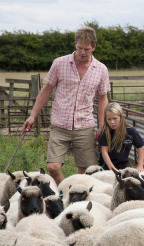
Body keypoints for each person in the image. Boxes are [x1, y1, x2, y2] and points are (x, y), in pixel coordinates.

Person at [21, 26, 110, 185]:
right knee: (53, 167)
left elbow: (103, 99)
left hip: (85, 125)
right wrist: (32, 115)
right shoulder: (59, 63)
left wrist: (101, 126)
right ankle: (65, 191)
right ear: (75, 44)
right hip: (60, 123)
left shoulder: (101, 69)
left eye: (87, 49)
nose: (83, 52)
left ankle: (77, 199)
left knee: (86, 173)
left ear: (94, 47)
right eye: (79, 48)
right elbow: (46, 90)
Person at [98, 102, 144, 172]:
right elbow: (104, 151)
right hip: (107, 166)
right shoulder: (105, 132)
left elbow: (140, 148)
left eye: (115, 118)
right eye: (109, 119)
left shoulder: (130, 131)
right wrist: (112, 169)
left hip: (124, 165)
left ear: (121, 117)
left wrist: (140, 166)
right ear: (105, 119)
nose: (112, 122)